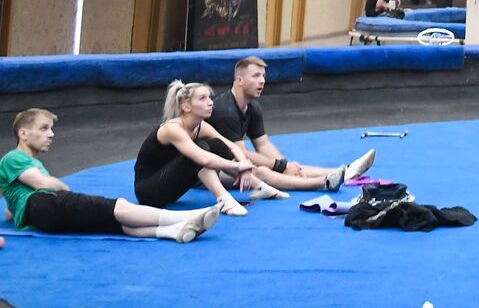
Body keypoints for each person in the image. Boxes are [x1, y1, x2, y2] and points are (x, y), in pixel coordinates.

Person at [3, 109, 219, 242]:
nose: (50, 134)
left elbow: (11, 213)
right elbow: (43, 183)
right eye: (43, 128)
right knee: (119, 207)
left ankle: (175, 231)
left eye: (51, 129)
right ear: (23, 133)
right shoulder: (14, 158)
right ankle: (188, 216)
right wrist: (62, 187)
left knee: (115, 224)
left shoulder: (29, 165)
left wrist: (15, 203)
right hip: (45, 204)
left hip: (44, 216)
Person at [210, 57, 374, 192]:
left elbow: (263, 144)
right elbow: (241, 154)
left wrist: (287, 165)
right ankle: (323, 182)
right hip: (209, 171)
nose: (262, 81)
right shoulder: (226, 111)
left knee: (285, 167)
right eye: (256, 76)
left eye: (263, 76)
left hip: (230, 163)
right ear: (239, 80)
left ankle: (346, 170)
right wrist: (281, 165)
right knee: (262, 172)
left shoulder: (252, 106)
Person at [133, 80, 289, 216]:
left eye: (209, 97)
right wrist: (237, 166)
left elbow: (230, 146)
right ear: (186, 106)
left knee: (216, 144)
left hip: (171, 189)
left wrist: (245, 168)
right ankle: (224, 200)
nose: (210, 102)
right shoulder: (172, 129)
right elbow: (203, 159)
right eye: (202, 98)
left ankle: (259, 187)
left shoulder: (200, 127)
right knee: (200, 149)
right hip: (149, 192)